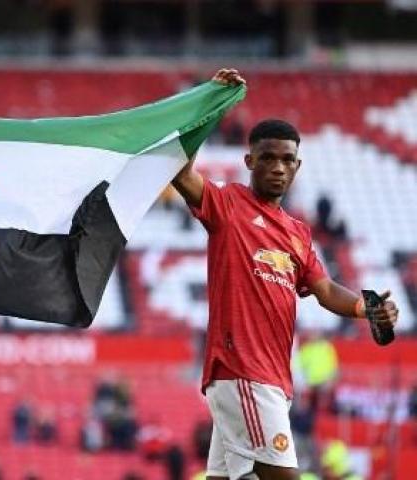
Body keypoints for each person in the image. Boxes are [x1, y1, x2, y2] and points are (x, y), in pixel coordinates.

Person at [171, 71, 399, 480]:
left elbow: (325, 288)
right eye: (268, 158)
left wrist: (366, 308)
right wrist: (208, 105)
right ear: (249, 162)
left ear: (297, 166)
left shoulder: (297, 232)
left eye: (286, 160)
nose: (278, 167)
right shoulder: (229, 205)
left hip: (271, 378)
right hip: (244, 371)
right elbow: (182, 174)